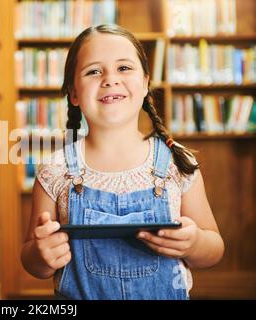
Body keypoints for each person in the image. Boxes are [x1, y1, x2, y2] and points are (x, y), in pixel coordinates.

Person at [20, 24, 225, 300]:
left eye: (124, 68)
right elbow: (31, 259)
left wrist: (195, 243)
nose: (109, 79)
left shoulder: (178, 163)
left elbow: (214, 248)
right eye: (93, 71)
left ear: (145, 83)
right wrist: (42, 255)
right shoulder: (54, 171)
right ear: (74, 93)